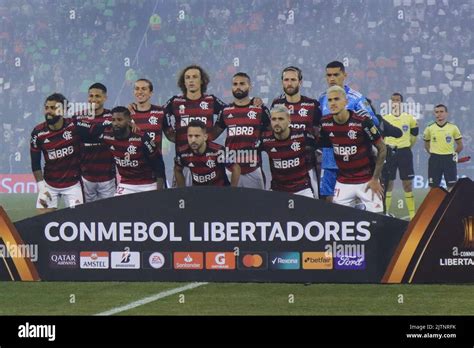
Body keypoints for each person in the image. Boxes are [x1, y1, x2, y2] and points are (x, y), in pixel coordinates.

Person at [319, 61, 380, 202]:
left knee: (354, 200)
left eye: (336, 75)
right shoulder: (323, 98)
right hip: (329, 159)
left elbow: (374, 122)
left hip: (352, 161)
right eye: (329, 75)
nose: (332, 78)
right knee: (329, 199)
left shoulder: (356, 98)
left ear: (344, 75)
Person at [77, 106, 166, 195]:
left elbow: (159, 165)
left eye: (119, 120)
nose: (115, 123)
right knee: (116, 208)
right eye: (113, 120)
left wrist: (158, 192)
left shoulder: (142, 138)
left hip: (148, 184)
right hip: (126, 184)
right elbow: (85, 131)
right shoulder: (107, 134)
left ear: (129, 120)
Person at [164, 65, 227, 187]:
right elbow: (159, 115)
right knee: (182, 201)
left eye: (195, 77)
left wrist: (214, 132)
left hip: (208, 164)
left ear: (202, 80)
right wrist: (170, 134)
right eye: (187, 77)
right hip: (183, 164)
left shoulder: (211, 100)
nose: (191, 80)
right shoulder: (176, 101)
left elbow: (228, 112)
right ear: (183, 82)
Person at [211, 72, 270, 189]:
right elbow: (212, 135)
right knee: (232, 206)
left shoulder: (260, 109)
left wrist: (261, 143)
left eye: (242, 83)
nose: (238, 86)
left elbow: (272, 132)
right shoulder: (225, 111)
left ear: (250, 86)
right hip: (231, 169)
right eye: (235, 84)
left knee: (257, 206)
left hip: (253, 169)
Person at [271, 66, 322, 198]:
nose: (289, 83)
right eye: (286, 80)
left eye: (293, 80)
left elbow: (319, 133)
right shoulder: (276, 104)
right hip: (282, 168)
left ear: (300, 82)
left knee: (315, 204)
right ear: (282, 82)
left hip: (307, 167)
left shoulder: (312, 105)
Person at [30, 93, 84, 214]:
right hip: (49, 185)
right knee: (42, 223)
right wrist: (42, 188)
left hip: (73, 185)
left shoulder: (74, 126)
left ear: (63, 111)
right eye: (47, 107)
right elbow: (35, 163)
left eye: (53, 108)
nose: (48, 111)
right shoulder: (38, 133)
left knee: (78, 222)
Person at [260, 105, 316, 198]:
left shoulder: (302, 135)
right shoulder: (265, 139)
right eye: (274, 119)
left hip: (302, 190)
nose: (277, 123)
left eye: (281, 119)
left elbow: (319, 146)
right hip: (277, 190)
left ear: (289, 120)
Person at [74, 83, 115, 202]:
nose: (93, 99)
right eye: (91, 96)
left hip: (107, 177)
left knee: (109, 214)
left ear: (105, 98)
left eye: (97, 96)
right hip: (85, 176)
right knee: (86, 214)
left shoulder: (113, 116)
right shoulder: (78, 117)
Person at [382, 93, 419, 219]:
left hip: (404, 152)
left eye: (397, 100)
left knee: (407, 184)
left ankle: (412, 214)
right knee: (388, 183)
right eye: (393, 100)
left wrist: (407, 146)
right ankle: (385, 213)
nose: (395, 102)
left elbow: (414, 137)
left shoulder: (410, 119)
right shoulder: (385, 118)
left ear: (401, 103)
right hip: (389, 152)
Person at [174, 120, 240, 187]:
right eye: (190, 136)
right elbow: (177, 170)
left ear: (205, 137)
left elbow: (236, 168)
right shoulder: (183, 153)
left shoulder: (218, 151)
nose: (193, 140)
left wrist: (232, 191)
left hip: (220, 192)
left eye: (197, 136)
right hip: (198, 193)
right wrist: (182, 191)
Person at [423, 104, 463, 190]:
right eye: (437, 112)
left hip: (449, 158)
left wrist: (454, 157)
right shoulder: (429, 128)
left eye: (441, 111)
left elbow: (460, 145)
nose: (439, 114)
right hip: (435, 159)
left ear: (446, 113)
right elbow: (426, 145)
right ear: (434, 114)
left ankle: (451, 204)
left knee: (451, 186)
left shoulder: (453, 128)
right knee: (433, 187)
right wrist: (433, 154)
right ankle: (434, 204)